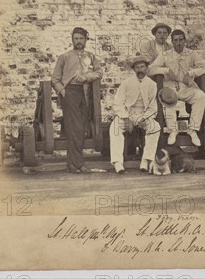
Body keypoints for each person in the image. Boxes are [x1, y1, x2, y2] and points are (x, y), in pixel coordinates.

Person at [51, 27, 104, 173]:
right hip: (70, 92)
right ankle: (79, 164)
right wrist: (62, 91)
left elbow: (99, 72)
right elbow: (55, 78)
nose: (78, 41)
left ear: (86, 39)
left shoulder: (91, 57)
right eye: (76, 39)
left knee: (80, 128)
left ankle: (71, 164)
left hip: (86, 93)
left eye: (81, 38)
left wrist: (87, 77)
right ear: (72, 40)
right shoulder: (65, 57)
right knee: (76, 128)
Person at [148, 29, 205, 146]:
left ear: (184, 41)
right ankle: (173, 130)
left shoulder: (191, 54)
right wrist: (166, 70)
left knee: (201, 96)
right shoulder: (165, 54)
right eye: (175, 40)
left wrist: (192, 73)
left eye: (181, 40)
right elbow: (150, 69)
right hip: (170, 88)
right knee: (168, 99)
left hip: (186, 87)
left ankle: (193, 130)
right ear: (172, 41)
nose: (178, 43)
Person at [109, 56, 161, 174]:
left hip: (143, 115)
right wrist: (126, 118)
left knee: (155, 127)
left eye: (142, 67)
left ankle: (146, 160)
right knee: (114, 128)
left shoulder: (152, 84)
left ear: (146, 68)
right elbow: (118, 103)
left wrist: (145, 118)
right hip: (127, 114)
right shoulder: (126, 83)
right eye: (137, 67)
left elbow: (153, 107)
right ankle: (117, 162)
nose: (140, 70)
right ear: (134, 69)